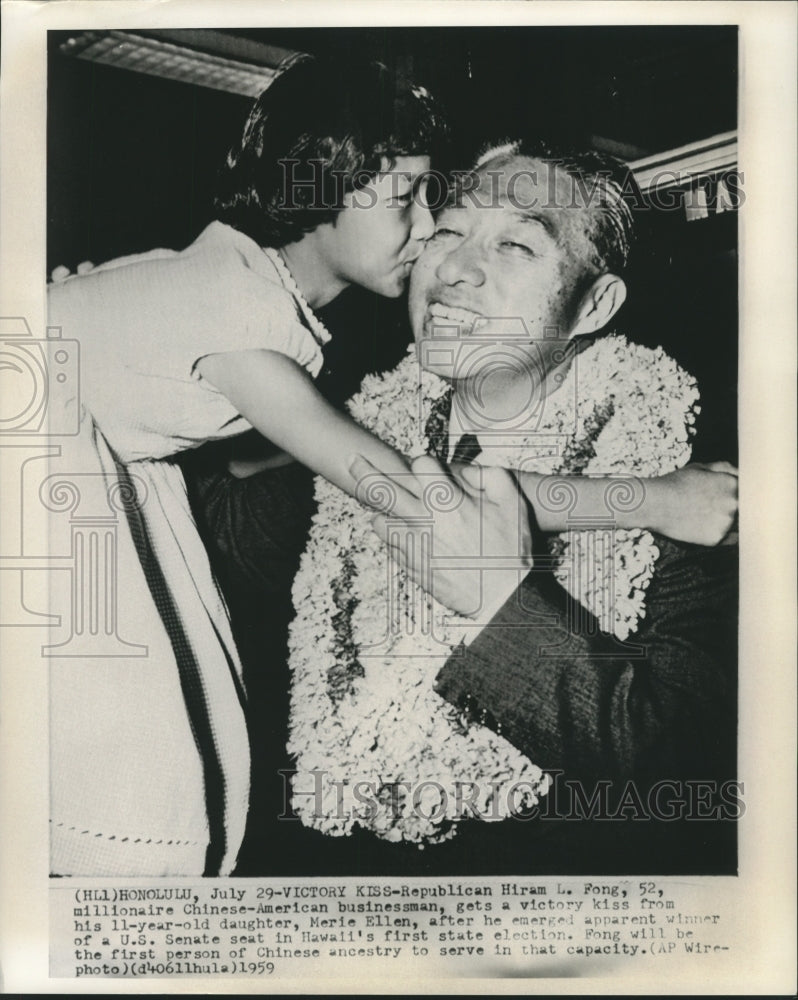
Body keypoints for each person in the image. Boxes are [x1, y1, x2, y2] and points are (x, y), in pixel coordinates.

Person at [47, 55, 448, 877]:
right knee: (156, 813)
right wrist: (651, 502)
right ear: (325, 182)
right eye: (407, 195)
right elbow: (407, 498)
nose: (431, 223)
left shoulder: (223, 280)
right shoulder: (238, 314)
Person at [349, 139, 738, 872]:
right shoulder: (344, 438)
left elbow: (689, 780)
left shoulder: (696, 499)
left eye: (517, 245)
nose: (454, 270)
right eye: (449, 230)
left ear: (594, 305)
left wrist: (500, 599)